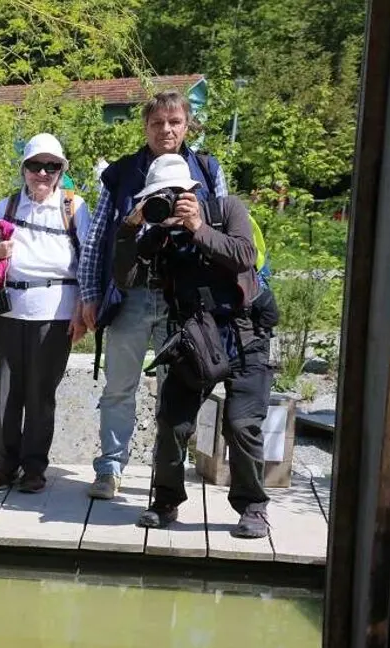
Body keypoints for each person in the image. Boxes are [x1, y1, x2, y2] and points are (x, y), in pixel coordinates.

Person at [78, 91, 229, 500]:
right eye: (157, 122)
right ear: (145, 127)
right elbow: (97, 238)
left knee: (174, 393)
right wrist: (90, 293)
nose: (166, 130)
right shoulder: (122, 173)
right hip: (130, 294)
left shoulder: (207, 169)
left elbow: (224, 231)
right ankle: (110, 468)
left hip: (182, 297)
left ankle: (166, 478)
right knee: (118, 387)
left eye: (174, 122)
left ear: (187, 125)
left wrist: (194, 220)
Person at [112, 154, 273, 537]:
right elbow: (125, 278)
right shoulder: (160, 234)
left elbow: (244, 256)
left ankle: (253, 507)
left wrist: (197, 226)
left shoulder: (226, 210)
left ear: (193, 190)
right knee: (172, 422)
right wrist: (129, 230)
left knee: (241, 424)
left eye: (176, 193)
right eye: (160, 195)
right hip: (194, 338)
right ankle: (165, 501)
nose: (169, 200)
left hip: (244, 334)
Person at [0, 134, 90, 492]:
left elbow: (89, 263)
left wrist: (82, 311)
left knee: (41, 393)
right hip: (7, 309)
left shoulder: (75, 207)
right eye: (36, 165)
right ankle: (5, 465)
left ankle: (35, 467)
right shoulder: (7, 205)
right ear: (24, 168)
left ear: (60, 171)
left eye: (51, 166)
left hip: (56, 311)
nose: (42, 173)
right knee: (8, 391)